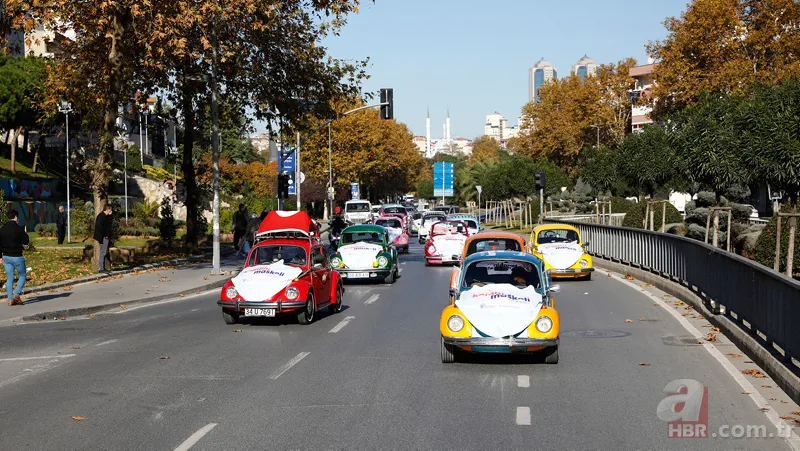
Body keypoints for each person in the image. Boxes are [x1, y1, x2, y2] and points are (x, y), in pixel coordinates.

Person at [1, 210, 30, 306]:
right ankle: (16, 294)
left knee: (10, 278)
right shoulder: (19, 229)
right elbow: (26, 242)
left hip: (6, 256)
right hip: (17, 256)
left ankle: (10, 300)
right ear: (16, 217)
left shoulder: (2, 229)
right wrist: (25, 232)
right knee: (22, 275)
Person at [94, 203, 113, 273]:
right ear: (107, 209)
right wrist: (105, 235)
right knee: (103, 252)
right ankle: (101, 268)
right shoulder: (101, 216)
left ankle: (103, 267)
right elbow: (99, 227)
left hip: (105, 236)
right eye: (110, 210)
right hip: (103, 237)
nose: (111, 211)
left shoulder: (105, 216)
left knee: (104, 252)